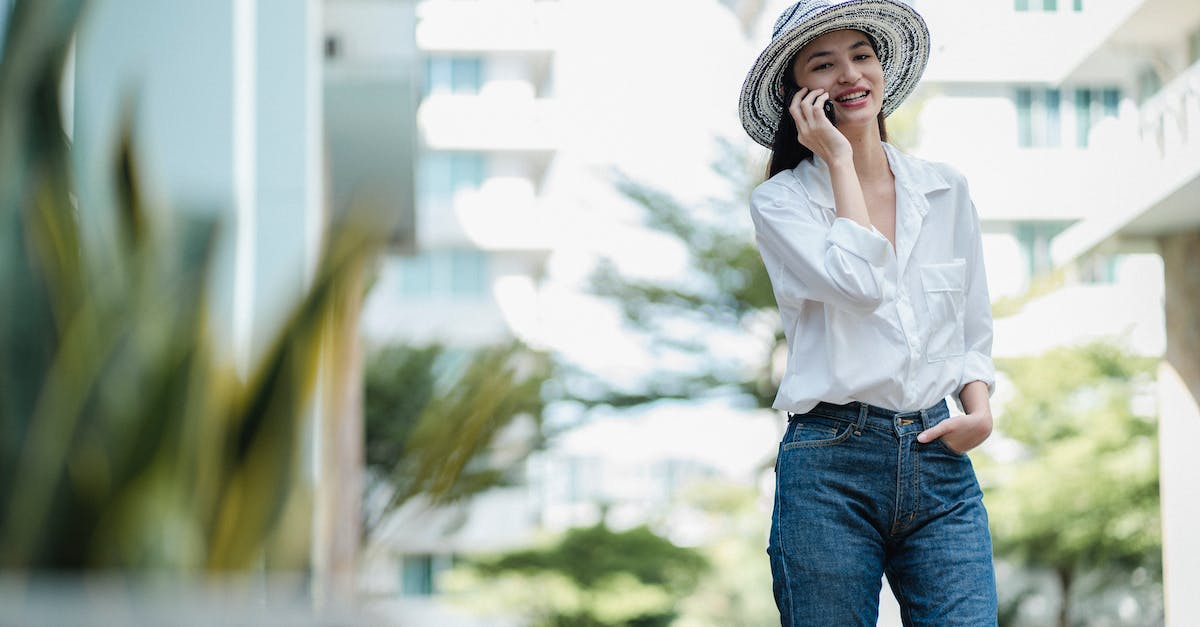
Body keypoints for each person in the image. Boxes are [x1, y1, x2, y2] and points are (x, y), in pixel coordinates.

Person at [738, 1, 998, 625]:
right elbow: (861, 281)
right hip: (830, 461)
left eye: (863, 55)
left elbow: (970, 321)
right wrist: (837, 159)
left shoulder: (944, 188)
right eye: (823, 64)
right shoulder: (781, 203)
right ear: (799, 95)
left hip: (939, 456)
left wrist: (980, 407)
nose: (851, 74)